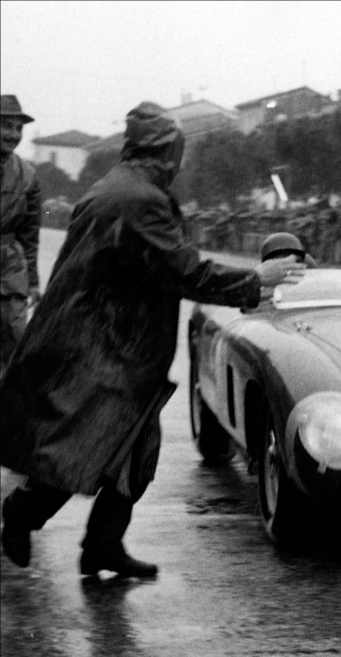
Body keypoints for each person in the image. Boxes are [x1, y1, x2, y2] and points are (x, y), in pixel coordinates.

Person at [0, 102, 306, 576]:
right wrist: (256, 278)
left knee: (130, 452)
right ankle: (23, 514)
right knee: (88, 447)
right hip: (106, 349)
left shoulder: (120, 187)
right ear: (165, 152)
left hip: (113, 345)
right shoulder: (138, 199)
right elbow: (183, 269)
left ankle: (101, 546)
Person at [1, 95, 42, 377]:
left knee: (16, 345)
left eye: (18, 129)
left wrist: (33, 281)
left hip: (10, 269)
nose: (13, 135)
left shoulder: (27, 175)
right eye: (6, 126)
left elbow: (30, 234)